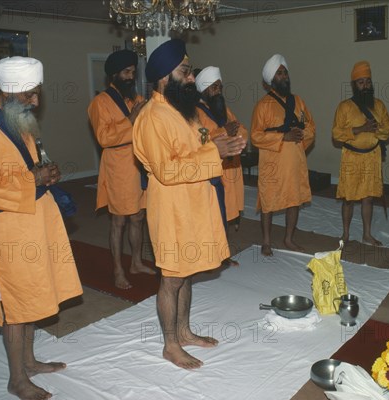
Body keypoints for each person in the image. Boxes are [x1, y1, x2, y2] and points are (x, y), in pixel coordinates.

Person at [0, 56, 83, 400]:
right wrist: (31, 179)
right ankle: (16, 379)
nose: (36, 103)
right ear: (8, 91)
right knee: (14, 303)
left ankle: (29, 361)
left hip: (36, 220)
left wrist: (45, 172)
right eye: (30, 95)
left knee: (32, 295)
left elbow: (26, 165)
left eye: (37, 94)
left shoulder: (17, 117)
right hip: (9, 229)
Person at [133, 39, 246, 369]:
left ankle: (184, 331)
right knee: (171, 278)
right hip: (170, 207)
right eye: (186, 71)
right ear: (164, 76)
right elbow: (167, 171)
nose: (192, 78)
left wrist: (221, 143)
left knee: (187, 274)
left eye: (191, 71)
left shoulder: (184, 111)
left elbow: (197, 148)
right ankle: (170, 344)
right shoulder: (153, 117)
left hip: (194, 203)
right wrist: (215, 152)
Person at [88, 49, 155, 290]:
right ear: (114, 75)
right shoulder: (100, 103)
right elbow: (104, 138)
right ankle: (118, 269)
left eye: (133, 73)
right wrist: (131, 120)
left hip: (140, 166)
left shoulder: (135, 99)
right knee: (119, 221)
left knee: (138, 217)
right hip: (118, 168)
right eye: (126, 72)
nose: (131, 77)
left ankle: (136, 262)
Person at [250, 54, 316, 256]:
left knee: (293, 200)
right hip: (272, 163)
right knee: (268, 202)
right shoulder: (263, 106)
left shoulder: (299, 101)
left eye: (285, 72)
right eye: (279, 73)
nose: (284, 76)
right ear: (271, 79)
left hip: (295, 161)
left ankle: (289, 238)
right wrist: (282, 138)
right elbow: (255, 136)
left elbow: (311, 128)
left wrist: (300, 135)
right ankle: (267, 241)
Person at [332, 61, 389, 246]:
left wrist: (376, 131)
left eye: (368, 82)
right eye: (361, 82)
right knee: (349, 198)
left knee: (368, 197)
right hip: (351, 157)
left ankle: (367, 234)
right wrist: (360, 129)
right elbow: (336, 134)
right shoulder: (344, 107)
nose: (365, 86)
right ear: (354, 85)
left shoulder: (379, 106)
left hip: (371, 157)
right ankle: (345, 234)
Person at [195, 66, 248, 259]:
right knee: (212, 214)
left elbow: (242, 129)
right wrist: (224, 131)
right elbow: (198, 142)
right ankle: (209, 256)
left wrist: (234, 132)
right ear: (204, 88)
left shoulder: (223, 108)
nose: (218, 91)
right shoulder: (195, 113)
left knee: (224, 213)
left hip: (229, 168)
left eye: (220, 87)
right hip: (210, 171)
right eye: (214, 87)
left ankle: (223, 256)